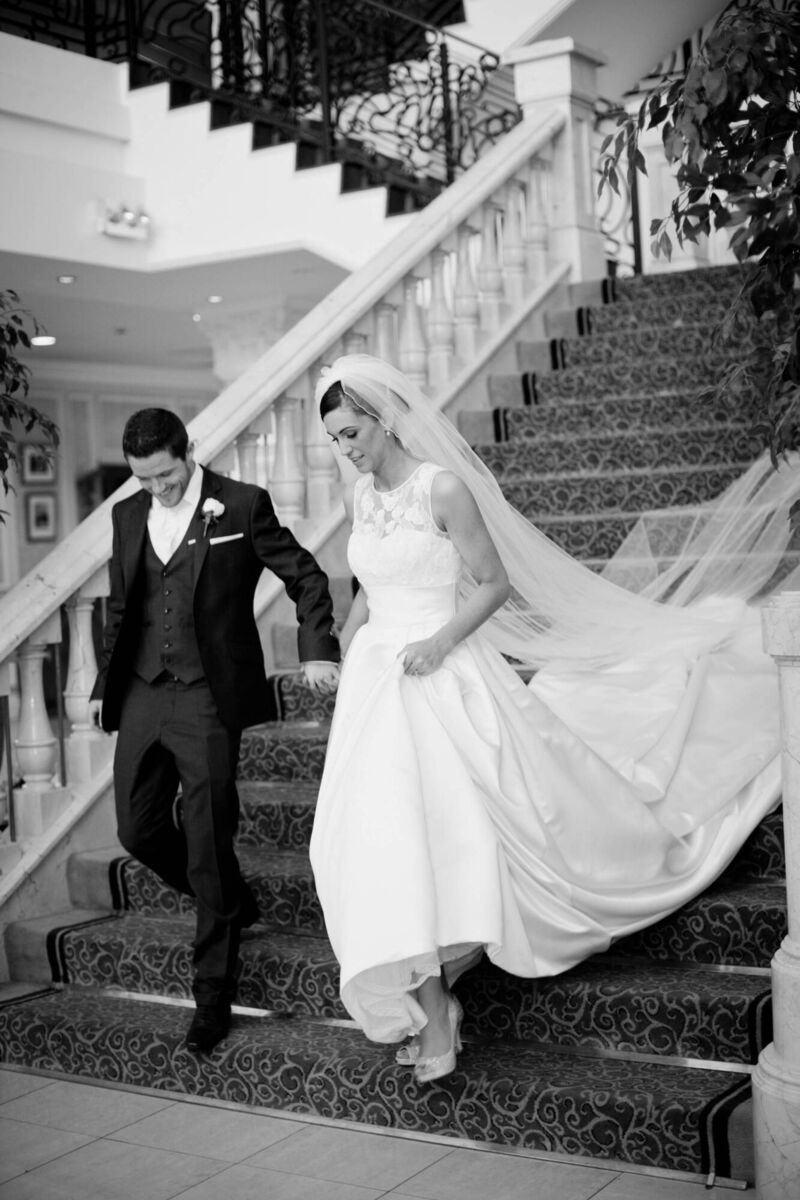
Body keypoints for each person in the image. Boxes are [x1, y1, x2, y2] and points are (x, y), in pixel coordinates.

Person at [309, 353, 793, 1085]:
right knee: (375, 837)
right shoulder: (361, 499)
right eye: (336, 440)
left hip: (443, 667)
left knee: (456, 820)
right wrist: (347, 655)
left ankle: (442, 996)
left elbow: (494, 584)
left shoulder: (442, 487)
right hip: (379, 682)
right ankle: (430, 978)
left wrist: (438, 642)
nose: (345, 450)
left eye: (351, 433)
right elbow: (367, 595)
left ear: (384, 417)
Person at [90, 407, 340, 1053]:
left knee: (205, 841)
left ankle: (212, 996)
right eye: (145, 480)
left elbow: (306, 575)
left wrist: (318, 648)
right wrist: (102, 689)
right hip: (145, 691)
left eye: (167, 476)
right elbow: (121, 607)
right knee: (138, 830)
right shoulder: (126, 515)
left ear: (188, 452)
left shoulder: (239, 504)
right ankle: (232, 898)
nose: (158, 490)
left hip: (206, 697)